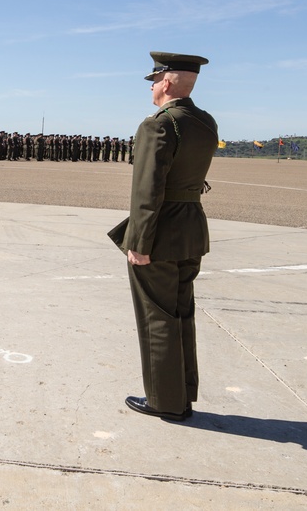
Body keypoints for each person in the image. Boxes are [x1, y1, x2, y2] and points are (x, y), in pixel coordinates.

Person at [114, 52, 218, 422]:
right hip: (191, 228)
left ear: (168, 82)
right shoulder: (204, 122)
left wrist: (139, 242)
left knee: (157, 316)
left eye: (155, 79)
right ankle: (182, 393)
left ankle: (165, 400)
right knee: (180, 313)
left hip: (161, 233)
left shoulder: (159, 124)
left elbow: (148, 190)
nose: (153, 86)